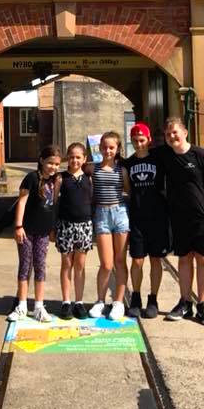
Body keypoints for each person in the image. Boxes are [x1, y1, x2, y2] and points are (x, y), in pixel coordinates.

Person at [153, 117, 204, 326]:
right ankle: (185, 302)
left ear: (185, 132)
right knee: (184, 258)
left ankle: (203, 304)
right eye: (168, 134)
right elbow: (141, 155)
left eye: (175, 132)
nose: (172, 137)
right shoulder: (165, 155)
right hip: (179, 218)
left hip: (203, 217)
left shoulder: (200, 155)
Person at [7, 145, 62, 323]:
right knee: (25, 265)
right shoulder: (31, 178)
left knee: (40, 266)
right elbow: (21, 202)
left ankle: (39, 306)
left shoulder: (55, 181)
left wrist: (52, 228)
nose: (53, 167)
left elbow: (53, 206)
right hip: (27, 231)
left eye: (57, 164)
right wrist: (18, 226)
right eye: (50, 163)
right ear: (41, 161)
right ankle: (22, 305)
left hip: (43, 232)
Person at [123, 122, 169, 318]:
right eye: (135, 140)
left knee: (156, 259)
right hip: (138, 217)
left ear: (149, 140)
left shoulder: (159, 159)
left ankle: (153, 298)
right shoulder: (128, 163)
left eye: (142, 140)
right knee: (137, 260)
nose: (138, 143)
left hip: (158, 217)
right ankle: (135, 296)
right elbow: (127, 189)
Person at [89, 131, 131, 321]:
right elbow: (74, 168)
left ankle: (118, 302)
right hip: (101, 215)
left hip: (120, 213)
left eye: (111, 147)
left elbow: (129, 192)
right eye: (105, 147)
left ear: (118, 149)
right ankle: (100, 301)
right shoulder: (93, 168)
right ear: (99, 148)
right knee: (106, 264)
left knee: (120, 261)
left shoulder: (122, 170)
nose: (108, 150)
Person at [54, 142, 93, 320]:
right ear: (66, 159)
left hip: (84, 226)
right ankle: (66, 302)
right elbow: (54, 203)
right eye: (71, 157)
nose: (74, 160)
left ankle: (79, 302)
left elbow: (92, 201)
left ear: (84, 159)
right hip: (65, 226)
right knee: (66, 264)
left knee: (80, 265)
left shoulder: (88, 178)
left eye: (78, 157)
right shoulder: (61, 178)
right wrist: (53, 227)